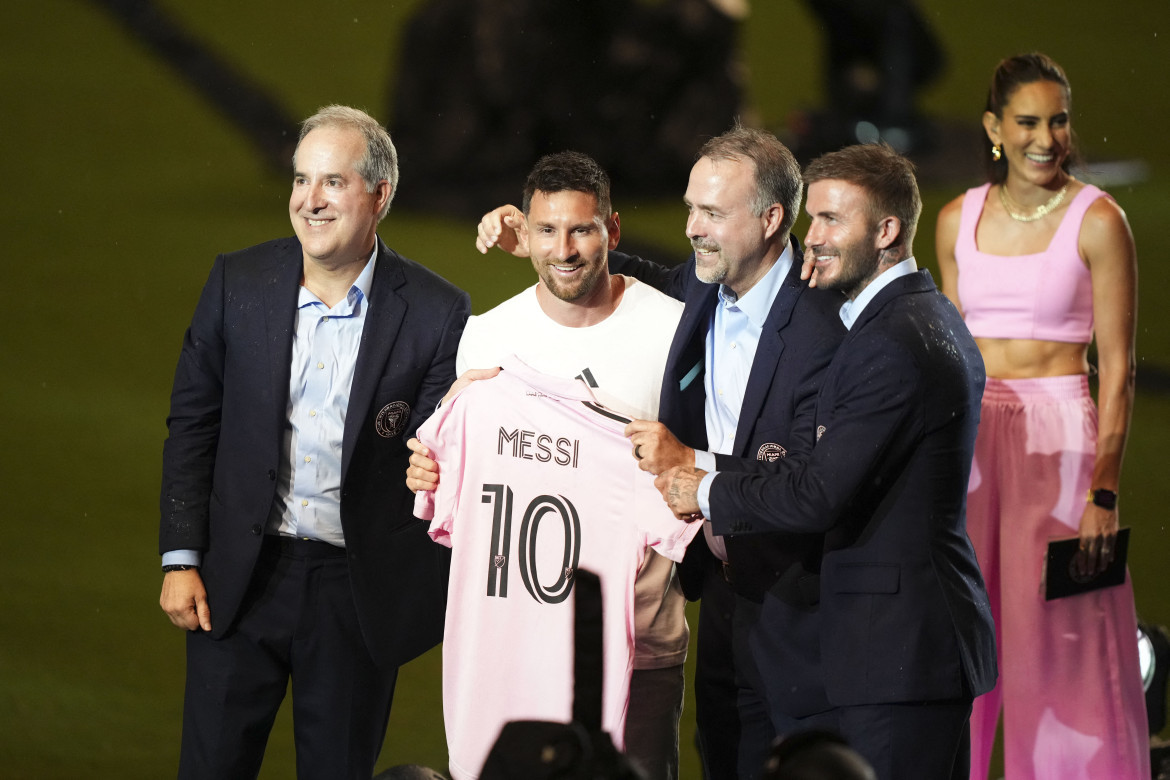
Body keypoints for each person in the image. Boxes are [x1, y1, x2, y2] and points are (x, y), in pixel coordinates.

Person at [653, 143, 998, 780]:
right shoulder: (923, 316)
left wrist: (703, 488)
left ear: (887, 230)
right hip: (902, 645)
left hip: (896, 651)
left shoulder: (889, 343)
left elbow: (817, 491)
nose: (812, 240)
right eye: (815, 220)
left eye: (833, 221)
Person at [158, 105, 470, 779]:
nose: (309, 200)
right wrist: (180, 557)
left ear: (379, 195)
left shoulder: (440, 312)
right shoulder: (235, 283)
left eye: (332, 182)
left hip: (354, 595)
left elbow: (437, 455)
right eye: (301, 180)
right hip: (236, 582)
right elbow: (193, 424)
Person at [408, 151, 689, 780]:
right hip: (511, 652)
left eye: (582, 230)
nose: (563, 249)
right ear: (523, 234)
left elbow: (701, 478)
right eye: (546, 230)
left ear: (613, 232)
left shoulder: (674, 333)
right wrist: (432, 467)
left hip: (637, 649)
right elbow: (457, 474)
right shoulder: (487, 338)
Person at [935, 52, 1148, 779]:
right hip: (972, 446)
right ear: (994, 127)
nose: (1046, 138)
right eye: (1028, 121)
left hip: (1062, 448)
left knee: (1060, 648)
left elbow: (1116, 371)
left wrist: (1104, 494)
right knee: (961, 642)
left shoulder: (1100, 220)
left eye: (1058, 121)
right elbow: (947, 356)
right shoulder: (955, 219)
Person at [611, 125, 847, 780]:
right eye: (691, 208)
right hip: (721, 596)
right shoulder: (701, 287)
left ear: (772, 218)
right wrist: (567, 250)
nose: (691, 227)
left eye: (712, 212)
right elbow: (658, 278)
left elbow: (813, 481)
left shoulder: (828, 324)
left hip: (802, 607)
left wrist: (692, 463)